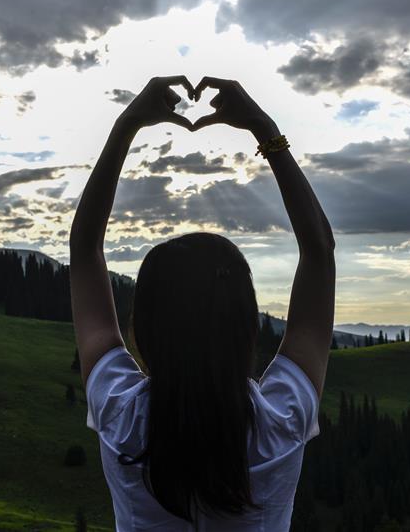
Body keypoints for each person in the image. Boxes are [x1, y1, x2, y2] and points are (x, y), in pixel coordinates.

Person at [70, 75, 336, 531]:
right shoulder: (282, 425)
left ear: (145, 330)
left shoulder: (120, 419)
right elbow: (319, 252)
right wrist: (263, 129)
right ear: (246, 329)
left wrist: (126, 127)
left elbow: (84, 250)